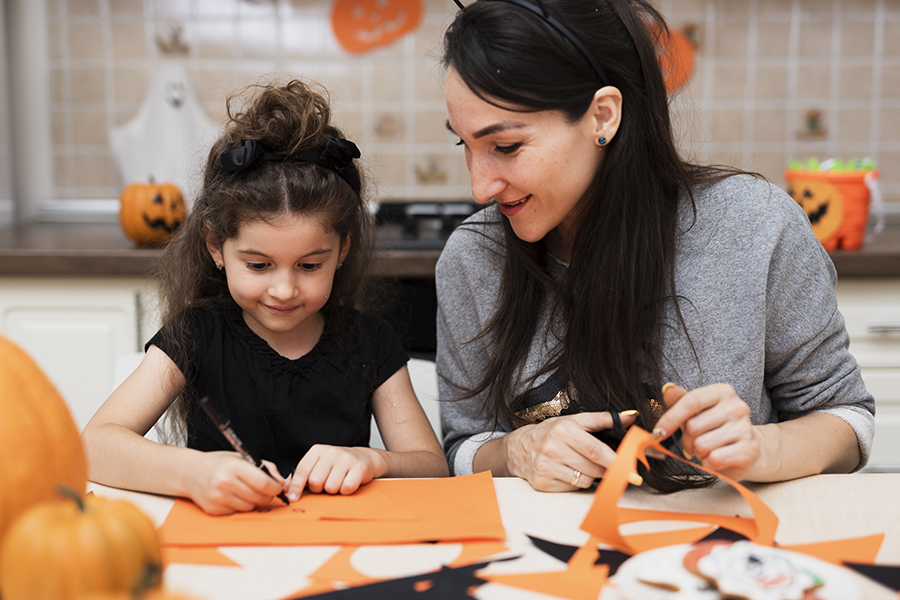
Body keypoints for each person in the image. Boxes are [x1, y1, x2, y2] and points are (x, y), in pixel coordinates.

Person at [436, 0, 874, 493]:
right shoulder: (473, 258)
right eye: (465, 145)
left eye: (507, 146)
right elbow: (464, 445)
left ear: (603, 116)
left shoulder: (755, 226)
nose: (480, 188)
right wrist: (515, 451)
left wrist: (762, 447)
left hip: (721, 550)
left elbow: (845, 418)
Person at [82, 80, 448, 515]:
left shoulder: (371, 340)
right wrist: (192, 473)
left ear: (342, 252)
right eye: (258, 265)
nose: (284, 289)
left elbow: (433, 468)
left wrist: (374, 459)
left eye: (309, 266)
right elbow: (95, 444)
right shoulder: (196, 334)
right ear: (216, 247)